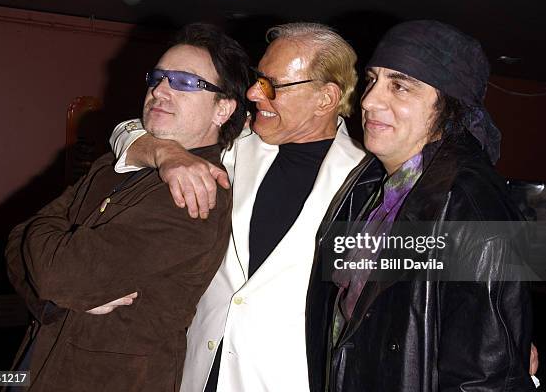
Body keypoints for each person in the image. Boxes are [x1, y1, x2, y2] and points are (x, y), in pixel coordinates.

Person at [109, 22, 367, 391]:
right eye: (257, 79)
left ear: (325, 98)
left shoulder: (370, 179)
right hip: (195, 371)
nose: (252, 93)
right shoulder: (233, 144)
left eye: (271, 86)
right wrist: (165, 153)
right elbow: (127, 130)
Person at [4, 23, 250, 392]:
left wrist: (43, 241)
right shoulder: (126, 160)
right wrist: (50, 301)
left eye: (185, 82)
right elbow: (15, 243)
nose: (160, 90)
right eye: (159, 77)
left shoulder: (197, 194)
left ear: (223, 109)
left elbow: (57, 271)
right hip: (39, 364)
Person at [307, 20, 537, 391]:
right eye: (372, 80)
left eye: (399, 86)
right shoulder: (372, 184)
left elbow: (484, 379)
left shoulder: (470, 204)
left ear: (449, 106)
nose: (368, 100)